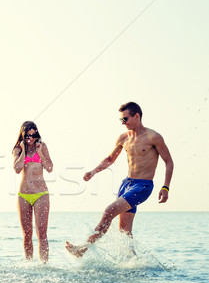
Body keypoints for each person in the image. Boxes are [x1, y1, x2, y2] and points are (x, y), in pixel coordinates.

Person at [66, 102, 173, 257]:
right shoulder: (123, 138)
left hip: (143, 186)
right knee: (125, 232)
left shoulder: (153, 137)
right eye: (121, 120)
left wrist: (165, 187)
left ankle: (83, 248)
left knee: (109, 211)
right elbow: (110, 159)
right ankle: (133, 263)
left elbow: (169, 162)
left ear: (137, 116)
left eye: (125, 119)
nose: (123, 123)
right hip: (127, 185)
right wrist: (93, 171)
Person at [12, 121, 53, 262]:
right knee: (27, 234)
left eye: (33, 135)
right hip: (23, 195)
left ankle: (44, 265)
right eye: (27, 135)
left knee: (42, 233)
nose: (31, 138)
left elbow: (49, 167)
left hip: (41, 194)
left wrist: (40, 152)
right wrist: (23, 150)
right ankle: (29, 264)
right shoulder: (17, 149)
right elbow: (17, 169)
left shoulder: (42, 146)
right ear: (23, 135)